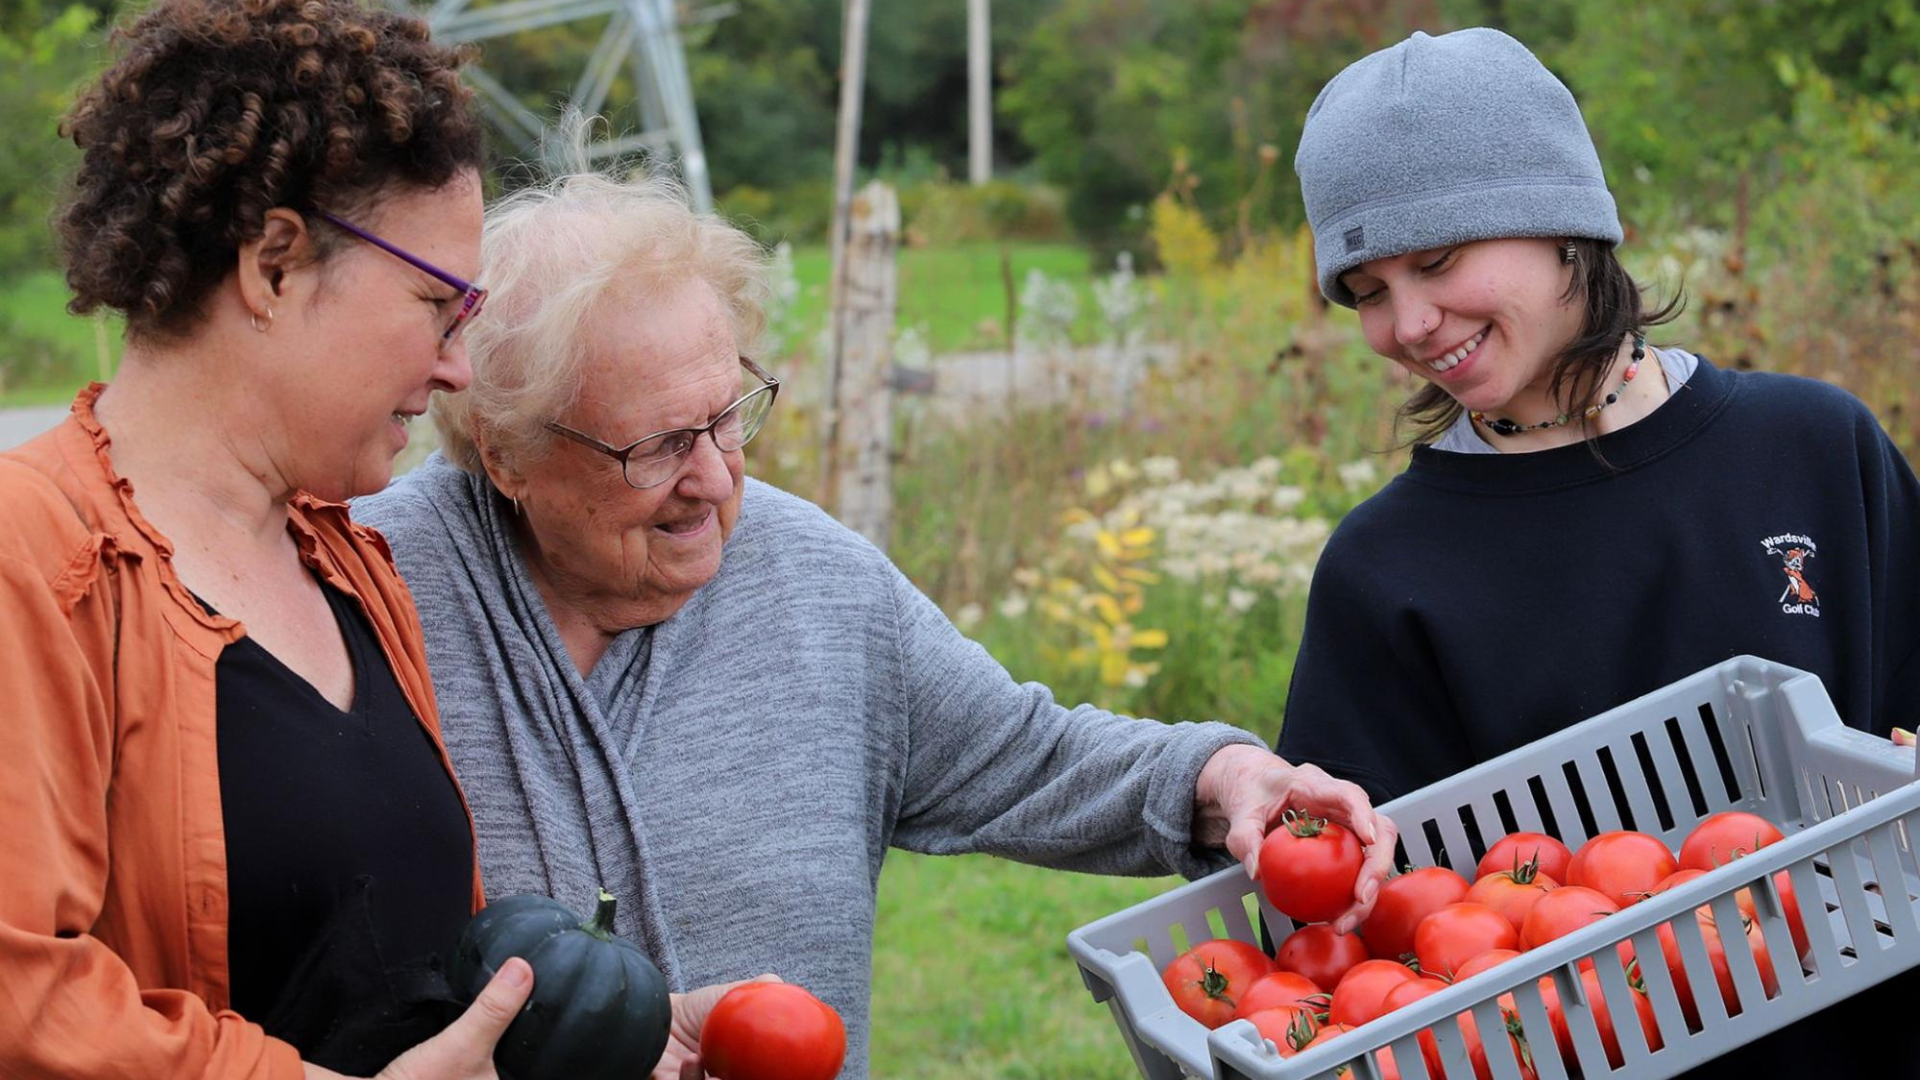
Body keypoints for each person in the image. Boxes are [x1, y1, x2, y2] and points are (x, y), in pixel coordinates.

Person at [349, 156, 1399, 1079]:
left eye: (729, 416)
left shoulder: (815, 583)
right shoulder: (365, 592)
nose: (715, 479)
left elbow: (1031, 758)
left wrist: (1224, 780)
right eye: (657, 446)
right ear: (505, 453)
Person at [0, 2, 731, 1077]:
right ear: (277, 265)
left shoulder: (347, 563)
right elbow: (20, 997)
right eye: (437, 302)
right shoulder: (35, 557)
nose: (458, 369)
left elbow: (394, 978)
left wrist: (590, 1032)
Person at [1274, 27, 1920, 1078]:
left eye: (1436, 261)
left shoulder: (1812, 447)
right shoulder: (1384, 570)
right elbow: (1365, 952)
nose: (1409, 322)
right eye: (1367, 290)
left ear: (1567, 224)